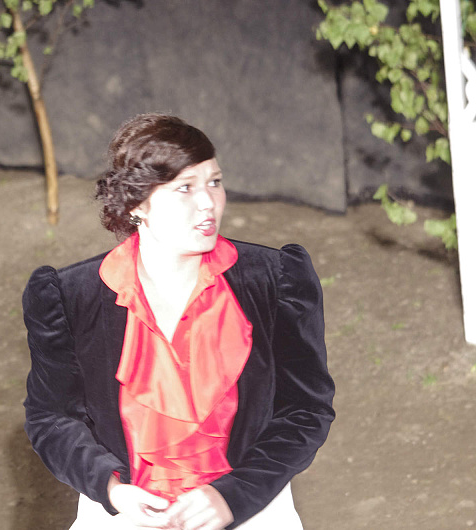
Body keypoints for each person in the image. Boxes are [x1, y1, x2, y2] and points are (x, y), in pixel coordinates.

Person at [22, 114, 335, 529]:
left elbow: (305, 410)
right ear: (136, 204)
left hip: (251, 507)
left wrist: (234, 495)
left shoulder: (275, 280)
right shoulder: (70, 296)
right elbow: (51, 418)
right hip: (126, 512)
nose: (208, 202)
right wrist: (111, 489)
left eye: (214, 182)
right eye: (185, 187)